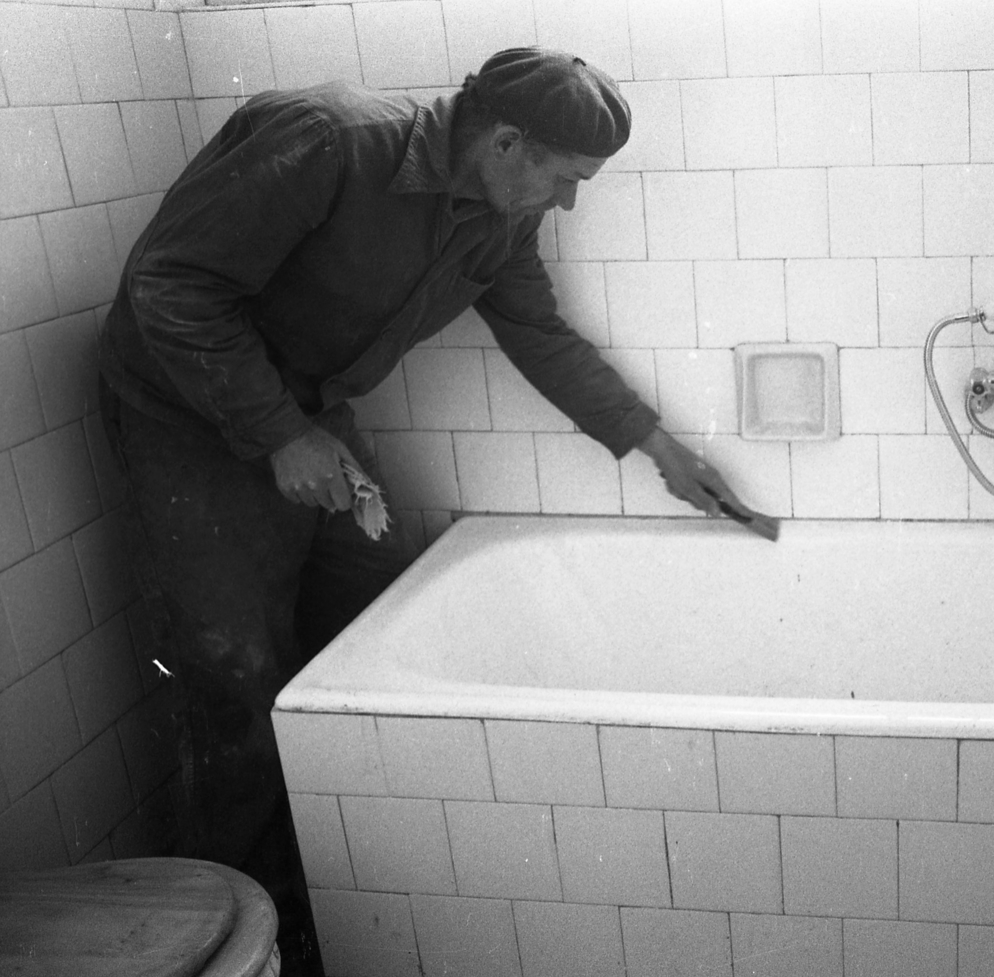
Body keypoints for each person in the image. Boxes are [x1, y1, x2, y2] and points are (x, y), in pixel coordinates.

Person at [97, 47, 744, 976]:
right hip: (184, 415)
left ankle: (349, 893)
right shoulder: (330, 142)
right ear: (508, 140)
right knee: (236, 680)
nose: (567, 204)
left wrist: (656, 445)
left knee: (378, 618)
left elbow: (538, 334)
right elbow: (170, 287)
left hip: (304, 410)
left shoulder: (498, 215)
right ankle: (254, 939)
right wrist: (282, 434)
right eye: (565, 181)